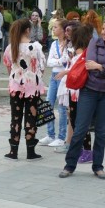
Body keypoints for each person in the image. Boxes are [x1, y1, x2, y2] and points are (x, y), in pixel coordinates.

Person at [59, 17, 105, 180]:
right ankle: (69, 165)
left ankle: (98, 166)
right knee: (80, 129)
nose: (103, 32)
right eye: (103, 29)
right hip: (89, 90)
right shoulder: (94, 43)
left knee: (101, 131)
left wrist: (100, 67)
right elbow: (89, 66)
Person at [2, 18, 46, 161]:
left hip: (15, 86)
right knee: (31, 117)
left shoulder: (10, 47)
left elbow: (8, 66)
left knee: (15, 118)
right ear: (28, 30)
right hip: (32, 87)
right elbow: (42, 67)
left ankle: (13, 150)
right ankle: (30, 150)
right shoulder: (37, 47)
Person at [54, 25, 94, 163]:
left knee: (80, 123)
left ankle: (87, 151)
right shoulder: (80, 54)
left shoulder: (82, 55)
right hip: (73, 91)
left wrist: (65, 72)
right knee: (75, 121)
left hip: (78, 92)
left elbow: (78, 72)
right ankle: (83, 150)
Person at [38, 19, 68, 147]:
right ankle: (50, 134)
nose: (53, 29)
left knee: (62, 107)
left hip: (64, 76)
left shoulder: (69, 44)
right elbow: (49, 62)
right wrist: (59, 61)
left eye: (56, 27)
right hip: (54, 76)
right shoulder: (54, 43)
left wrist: (59, 60)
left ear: (63, 29)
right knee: (48, 103)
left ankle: (61, 137)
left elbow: (66, 60)